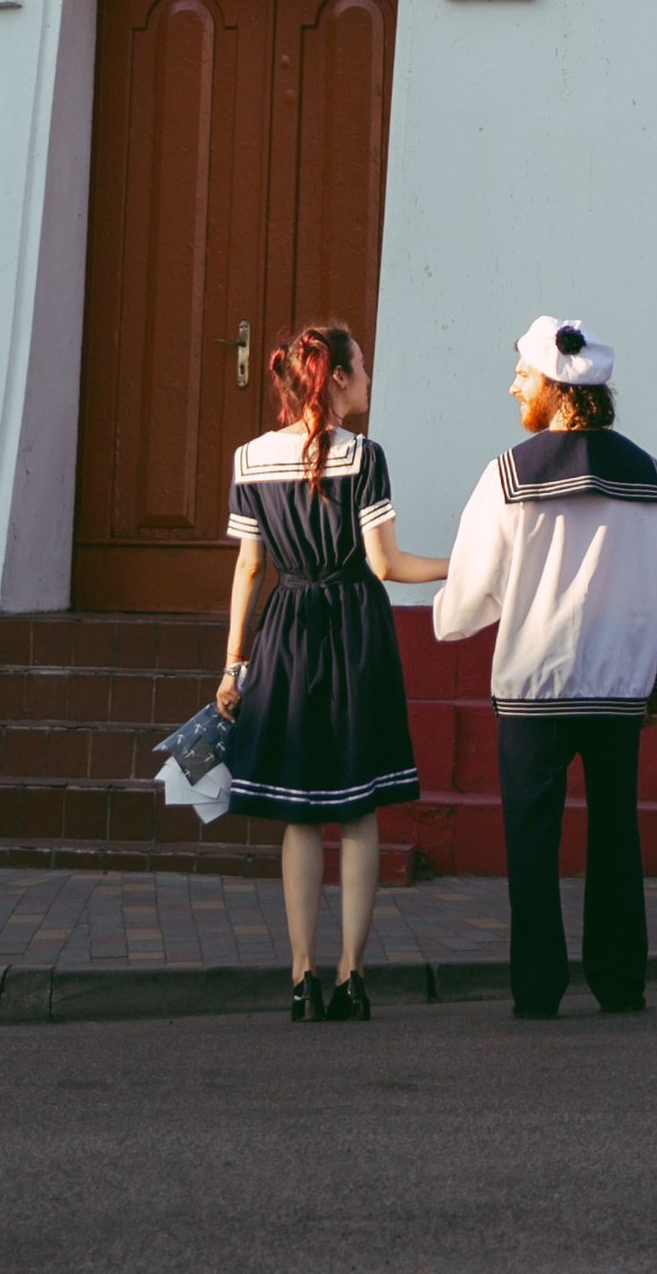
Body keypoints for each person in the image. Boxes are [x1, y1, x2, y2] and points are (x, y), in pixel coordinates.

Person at [434, 312, 657, 1018]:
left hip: (533, 684)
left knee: (531, 839)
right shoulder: (647, 474)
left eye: (523, 375)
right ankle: (620, 983)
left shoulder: (508, 474)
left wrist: (454, 613)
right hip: (617, 685)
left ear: (556, 389)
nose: (512, 387)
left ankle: (538, 989)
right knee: (617, 833)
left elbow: (470, 587)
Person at [215, 318, 448, 1022]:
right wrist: (467, 565)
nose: (371, 380)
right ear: (338, 378)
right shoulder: (364, 457)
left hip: (285, 627)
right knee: (357, 806)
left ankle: (299, 977)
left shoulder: (249, 459)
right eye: (364, 368)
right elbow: (385, 565)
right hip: (353, 627)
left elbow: (251, 567)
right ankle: (351, 976)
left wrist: (232, 666)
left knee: (296, 813)